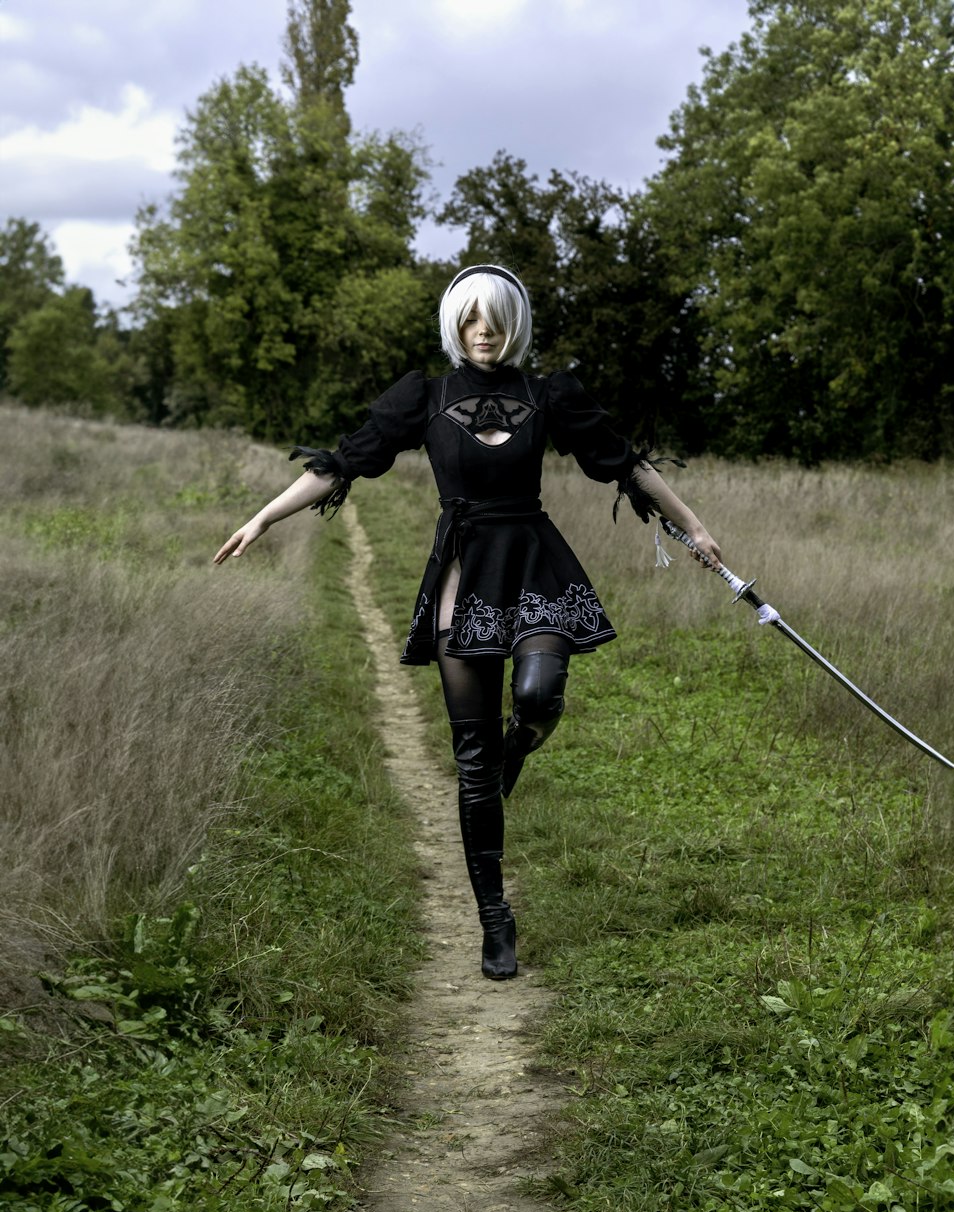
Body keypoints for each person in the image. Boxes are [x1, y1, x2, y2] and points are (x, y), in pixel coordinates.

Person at [214, 263, 721, 981]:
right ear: (456, 325)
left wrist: (695, 527)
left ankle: (524, 743)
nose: (482, 330)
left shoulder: (548, 395)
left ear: (514, 323)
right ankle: (494, 919)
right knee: (474, 764)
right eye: (470, 318)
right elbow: (346, 462)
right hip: (462, 572)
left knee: (542, 695)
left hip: (535, 562)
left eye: (495, 318)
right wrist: (262, 517)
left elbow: (624, 466)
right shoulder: (425, 396)